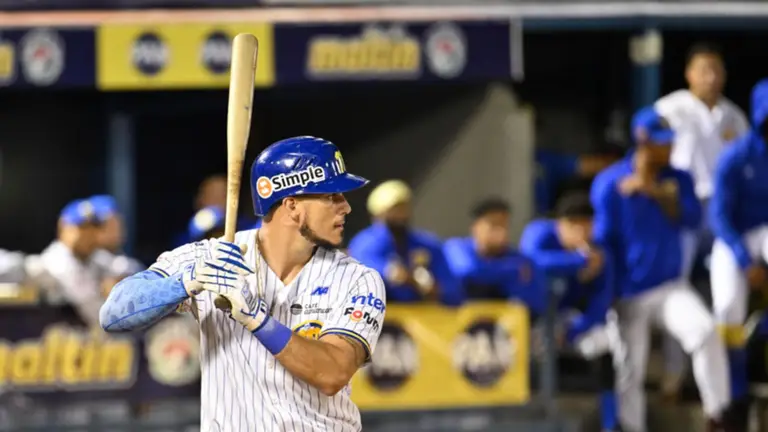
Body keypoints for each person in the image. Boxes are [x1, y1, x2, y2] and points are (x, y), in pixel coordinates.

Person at [100, 136, 387, 431]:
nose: (346, 207)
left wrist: (257, 319)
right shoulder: (212, 256)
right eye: (331, 196)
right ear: (291, 205)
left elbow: (333, 374)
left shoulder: (357, 278)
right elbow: (113, 314)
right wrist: (188, 281)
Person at [591, 106, 732, 432]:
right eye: (661, 142)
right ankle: (630, 427)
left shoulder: (678, 178)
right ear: (642, 140)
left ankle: (718, 416)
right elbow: (603, 242)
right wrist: (607, 296)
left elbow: (693, 220)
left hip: (670, 286)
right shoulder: (611, 183)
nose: (669, 147)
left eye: (670, 141)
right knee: (630, 370)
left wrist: (654, 191)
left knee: (705, 333)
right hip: (629, 292)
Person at [655, 43, 749, 397]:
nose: (711, 77)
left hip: (722, 209)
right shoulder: (672, 107)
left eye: (717, 70)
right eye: (704, 70)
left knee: (725, 293)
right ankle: (673, 375)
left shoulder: (733, 115)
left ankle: (723, 380)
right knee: (676, 289)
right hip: (682, 205)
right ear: (689, 74)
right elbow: (646, 139)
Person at [519, 191, 619, 432]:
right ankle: (525, 417)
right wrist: (578, 261)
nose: (581, 232)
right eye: (573, 225)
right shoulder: (540, 233)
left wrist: (573, 330)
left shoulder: (599, 250)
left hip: (569, 320)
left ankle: (611, 423)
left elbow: (602, 300)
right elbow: (529, 262)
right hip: (532, 318)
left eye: (586, 225)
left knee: (608, 345)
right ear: (560, 224)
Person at [709, 78, 768, 431]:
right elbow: (719, 216)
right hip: (734, 237)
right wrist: (746, 261)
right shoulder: (736, 155)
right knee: (727, 306)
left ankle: (761, 332)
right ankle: (734, 393)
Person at [347, 179, 463, 306]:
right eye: (393, 209)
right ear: (378, 214)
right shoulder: (364, 243)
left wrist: (436, 290)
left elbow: (453, 288)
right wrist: (398, 275)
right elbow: (366, 272)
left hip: (423, 314)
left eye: (404, 208)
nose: (400, 215)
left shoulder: (426, 244)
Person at [442, 198, 539, 309]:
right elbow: (469, 271)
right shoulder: (457, 247)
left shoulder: (519, 259)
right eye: (494, 224)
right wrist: (513, 271)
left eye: (504, 225)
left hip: (503, 318)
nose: (500, 231)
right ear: (475, 227)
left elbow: (534, 302)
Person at [40, 199, 109, 328]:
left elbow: (123, 269)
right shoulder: (56, 260)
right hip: (52, 333)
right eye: (82, 228)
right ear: (63, 228)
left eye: (94, 228)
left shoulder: (92, 257)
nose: (89, 235)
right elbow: (94, 311)